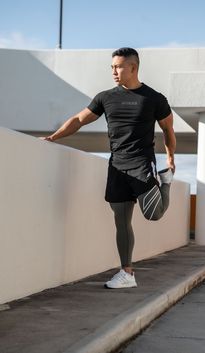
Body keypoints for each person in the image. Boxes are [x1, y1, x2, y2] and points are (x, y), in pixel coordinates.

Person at [42, 47, 176, 289]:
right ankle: (127, 273)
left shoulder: (154, 98)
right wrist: (54, 137)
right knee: (121, 221)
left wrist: (170, 158)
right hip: (117, 165)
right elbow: (79, 120)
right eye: (112, 67)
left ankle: (165, 183)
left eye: (118, 66)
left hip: (142, 163)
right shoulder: (106, 97)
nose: (114, 71)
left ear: (133, 68)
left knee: (153, 214)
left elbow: (168, 130)